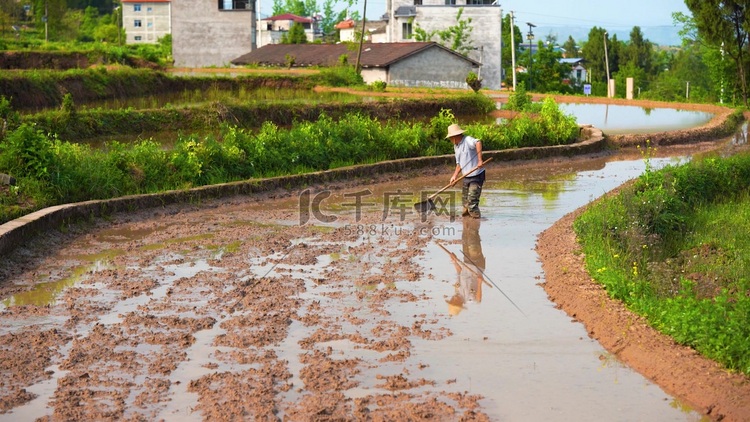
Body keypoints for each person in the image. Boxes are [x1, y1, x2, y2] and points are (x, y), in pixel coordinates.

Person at [446, 123, 485, 218]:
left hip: (476, 175)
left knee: (472, 202)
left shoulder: (467, 140)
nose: (450, 140)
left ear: (455, 136)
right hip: (466, 176)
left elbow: (478, 142)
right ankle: (466, 224)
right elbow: (459, 164)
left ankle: (475, 222)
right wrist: (454, 176)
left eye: (451, 138)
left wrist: (480, 160)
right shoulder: (456, 146)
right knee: (465, 203)